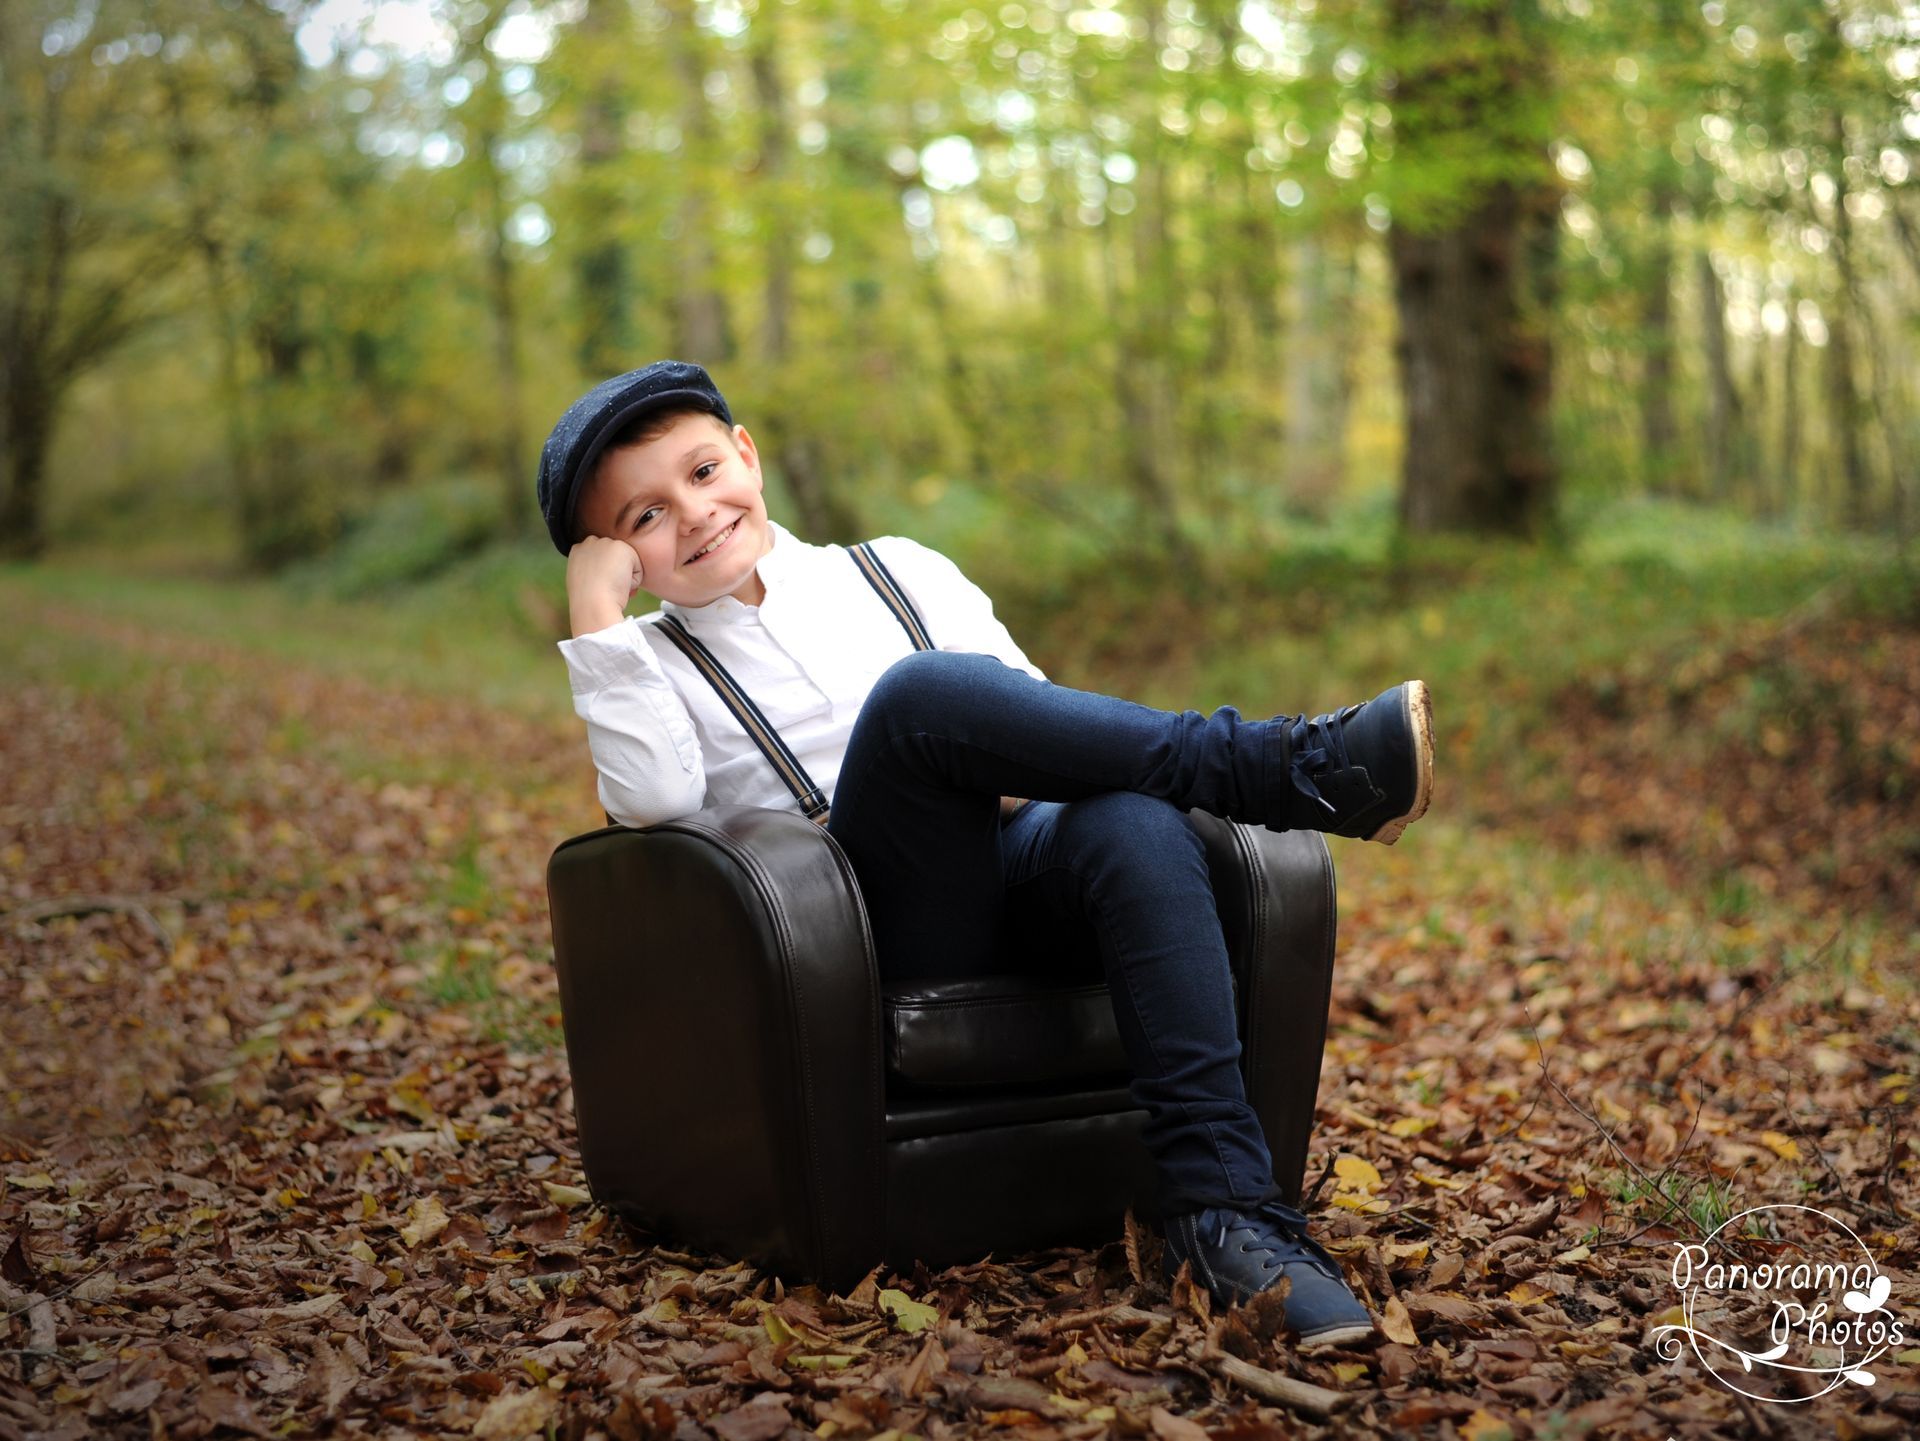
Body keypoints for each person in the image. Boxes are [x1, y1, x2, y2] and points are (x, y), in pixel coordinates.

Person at [536, 360, 1434, 1347]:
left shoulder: (899, 567)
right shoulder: (649, 666)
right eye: (646, 517)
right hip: (870, 936)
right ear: (617, 556)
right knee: (919, 699)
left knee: (1131, 819)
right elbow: (654, 799)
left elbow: (1052, 742)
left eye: (704, 472)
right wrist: (597, 618)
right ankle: (1280, 767)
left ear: (746, 454)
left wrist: (989, 765)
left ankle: (1223, 1215)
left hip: (1022, 876)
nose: (695, 514)